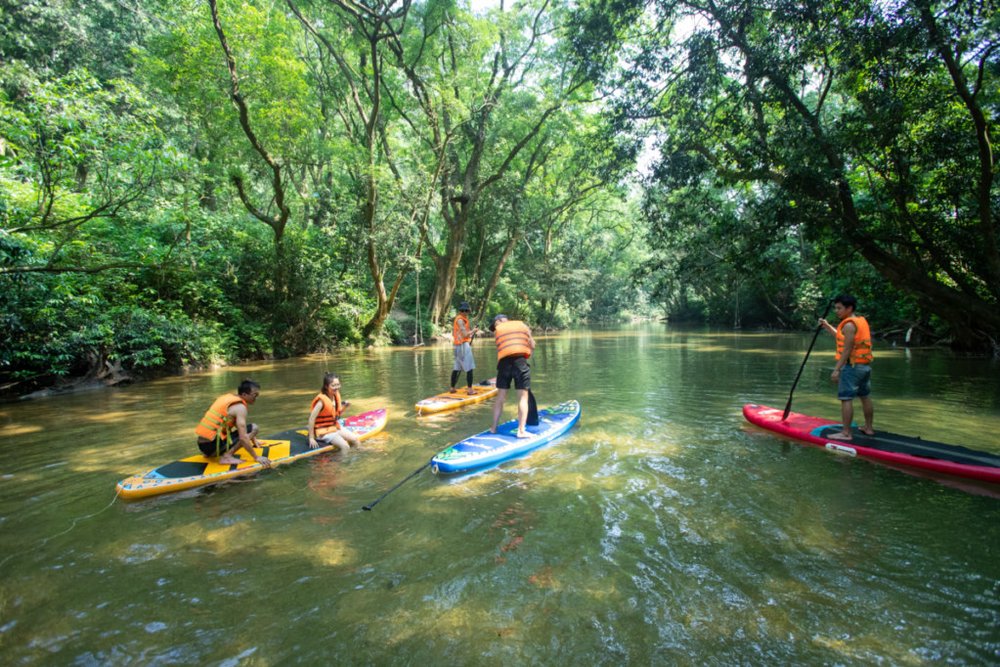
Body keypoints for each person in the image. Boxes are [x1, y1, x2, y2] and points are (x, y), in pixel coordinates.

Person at [819, 294, 875, 440]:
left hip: (852, 367)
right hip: (864, 367)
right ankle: (868, 428)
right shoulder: (858, 321)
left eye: (839, 308)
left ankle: (846, 433)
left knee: (846, 398)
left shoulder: (849, 325)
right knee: (865, 396)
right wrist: (827, 326)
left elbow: (847, 349)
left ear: (849, 308)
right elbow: (842, 338)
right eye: (835, 308)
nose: (836, 311)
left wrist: (837, 369)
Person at [195, 379, 271, 467]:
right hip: (213, 446)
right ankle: (226, 457)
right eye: (255, 395)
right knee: (254, 427)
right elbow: (243, 437)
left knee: (249, 430)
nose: (256, 398)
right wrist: (256, 457)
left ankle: (213, 454)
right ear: (244, 395)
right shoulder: (240, 407)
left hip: (203, 446)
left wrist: (253, 439)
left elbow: (235, 425)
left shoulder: (227, 398)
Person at [489, 314, 536, 438]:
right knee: (522, 398)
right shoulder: (522, 326)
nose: (495, 328)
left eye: (494, 325)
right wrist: (529, 334)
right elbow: (532, 345)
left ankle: (493, 428)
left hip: (504, 364)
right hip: (520, 363)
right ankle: (521, 431)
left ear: (499, 321)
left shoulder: (498, 331)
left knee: (500, 397)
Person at [307, 372, 361, 452]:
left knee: (355, 439)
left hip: (334, 427)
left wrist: (344, 407)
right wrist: (311, 438)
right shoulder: (321, 401)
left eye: (338, 384)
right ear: (326, 386)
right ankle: (342, 463)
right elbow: (311, 419)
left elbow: (335, 415)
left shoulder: (335, 396)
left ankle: (359, 455)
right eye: (333, 385)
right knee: (345, 446)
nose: (336, 387)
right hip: (323, 432)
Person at [450, 301, 481, 395]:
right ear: (465, 311)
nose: (467, 314)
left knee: (457, 368)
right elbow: (464, 334)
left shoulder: (459, 319)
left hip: (457, 346)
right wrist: (474, 330)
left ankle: (452, 388)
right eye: (467, 312)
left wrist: (470, 335)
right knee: (469, 368)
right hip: (463, 346)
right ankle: (470, 390)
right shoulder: (460, 320)